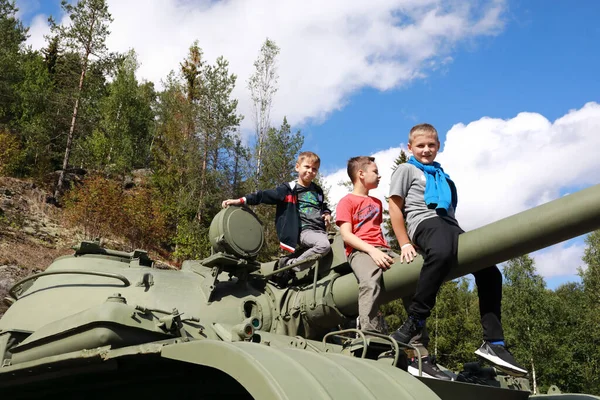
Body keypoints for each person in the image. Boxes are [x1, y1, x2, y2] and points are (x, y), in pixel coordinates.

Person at [388, 123, 527, 376]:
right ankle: (415, 321)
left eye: (431, 145)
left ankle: (494, 343)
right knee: (441, 252)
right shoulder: (406, 169)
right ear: (410, 147)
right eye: (420, 146)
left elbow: (450, 211)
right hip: (424, 222)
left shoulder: (444, 176)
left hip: (449, 225)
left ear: (438, 146)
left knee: (490, 271)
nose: (426, 150)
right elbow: (395, 207)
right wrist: (405, 242)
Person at [336, 156, 450, 380]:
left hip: (384, 249)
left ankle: (418, 348)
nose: (379, 176)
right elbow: (346, 235)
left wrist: (405, 246)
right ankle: (371, 336)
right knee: (370, 282)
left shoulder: (377, 203)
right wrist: (372, 251)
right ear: (361, 174)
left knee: (412, 280)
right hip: (359, 252)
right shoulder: (346, 201)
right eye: (375, 171)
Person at [222, 151, 331, 284]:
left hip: (320, 230)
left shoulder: (317, 191)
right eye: (307, 167)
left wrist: (326, 213)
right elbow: (265, 195)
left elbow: (322, 205)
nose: (310, 171)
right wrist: (241, 200)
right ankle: (291, 265)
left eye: (314, 169)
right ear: (297, 167)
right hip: (304, 230)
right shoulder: (289, 189)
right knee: (323, 246)